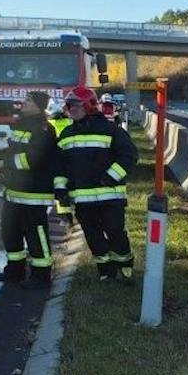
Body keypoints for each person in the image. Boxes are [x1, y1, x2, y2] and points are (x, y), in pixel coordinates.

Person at [53, 84, 139, 282]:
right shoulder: (66, 135)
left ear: (89, 105)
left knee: (115, 232)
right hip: (82, 200)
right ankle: (105, 271)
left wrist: (110, 177)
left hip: (111, 197)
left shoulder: (110, 130)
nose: (71, 109)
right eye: (68, 106)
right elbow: (60, 166)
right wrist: (60, 189)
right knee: (93, 237)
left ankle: (125, 267)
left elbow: (129, 155)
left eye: (76, 105)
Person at [0, 90, 60, 288]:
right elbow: (12, 149)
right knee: (10, 233)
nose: (24, 103)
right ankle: (15, 272)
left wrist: (5, 163)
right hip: (13, 191)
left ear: (40, 107)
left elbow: (32, 159)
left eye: (29, 101)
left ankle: (41, 277)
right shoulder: (21, 125)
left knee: (36, 234)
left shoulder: (44, 129)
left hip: (34, 193)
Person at [46, 97, 75, 227]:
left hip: (56, 163)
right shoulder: (71, 122)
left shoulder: (48, 125)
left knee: (59, 189)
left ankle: (65, 217)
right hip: (72, 160)